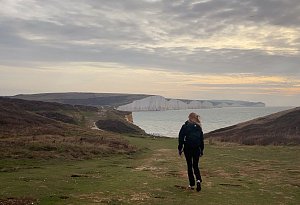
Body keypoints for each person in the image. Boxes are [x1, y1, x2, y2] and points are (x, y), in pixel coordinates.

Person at [178, 112, 204, 192]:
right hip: (196, 148)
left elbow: (181, 137)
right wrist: (201, 150)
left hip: (188, 148)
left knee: (189, 165)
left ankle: (191, 184)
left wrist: (180, 148)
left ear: (189, 118)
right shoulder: (199, 127)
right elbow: (201, 140)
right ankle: (198, 180)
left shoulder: (185, 126)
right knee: (195, 165)